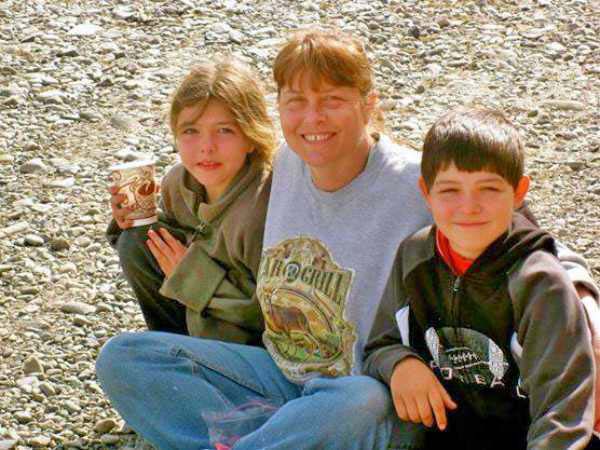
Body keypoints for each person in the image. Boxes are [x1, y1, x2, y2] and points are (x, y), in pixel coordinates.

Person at [96, 29, 599, 450]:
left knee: (352, 406)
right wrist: (132, 216)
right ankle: (279, 437)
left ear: (368, 105)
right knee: (125, 359)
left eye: (332, 101)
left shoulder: (413, 181)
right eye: (297, 102)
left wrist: (583, 300)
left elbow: (519, 228)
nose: (312, 120)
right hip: (277, 370)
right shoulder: (284, 164)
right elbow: (209, 176)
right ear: (279, 111)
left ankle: (263, 437)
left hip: (372, 388)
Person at [364, 107, 598, 449]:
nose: (469, 207)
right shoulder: (414, 257)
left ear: (518, 192)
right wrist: (401, 364)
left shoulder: (538, 282)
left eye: (488, 188)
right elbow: (378, 345)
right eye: (449, 191)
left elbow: (564, 415)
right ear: (425, 193)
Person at [106, 58, 276, 343]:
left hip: (251, 348)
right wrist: (128, 218)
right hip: (197, 320)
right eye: (190, 131)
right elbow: (160, 250)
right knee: (138, 237)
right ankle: (170, 347)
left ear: (251, 137)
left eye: (224, 130)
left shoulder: (262, 208)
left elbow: (275, 317)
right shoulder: (179, 183)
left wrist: (194, 277)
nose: (206, 147)